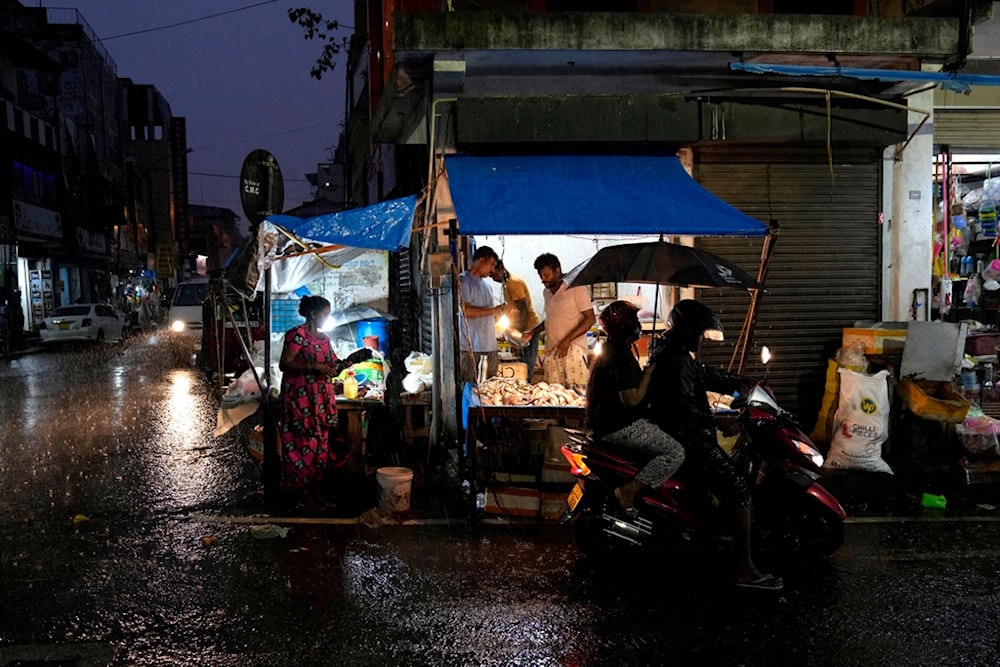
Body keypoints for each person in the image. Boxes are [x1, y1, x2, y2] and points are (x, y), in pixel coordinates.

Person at [647, 299, 782, 591]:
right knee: (739, 489)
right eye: (700, 333)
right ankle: (745, 569)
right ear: (688, 332)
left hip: (682, 435)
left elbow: (703, 375)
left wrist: (739, 382)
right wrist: (722, 421)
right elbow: (686, 412)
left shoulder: (672, 351)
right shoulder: (676, 358)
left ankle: (710, 536)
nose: (702, 339)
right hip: (689, 441)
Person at [586, 300, 686, 518]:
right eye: (635, 320)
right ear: (626, 325)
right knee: (674, 452)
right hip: (620, 426)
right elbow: (631, 399)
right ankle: (629, 491)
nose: (638, 324)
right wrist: (649, 373)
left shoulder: (613, 349)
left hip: (604, 423)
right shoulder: (620, 356)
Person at [279, 295, 371, 510]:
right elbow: (286, 364)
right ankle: (303, 497)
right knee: (303, 449)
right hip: (301, 402)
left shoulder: (324, 339)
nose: (327, 318)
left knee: (320, 451)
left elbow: (333, 368)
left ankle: (316, 494)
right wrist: (314, 368)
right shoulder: (297, 335)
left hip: (321, 400)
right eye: (325, 314)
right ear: (313, 314)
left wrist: (352, 360)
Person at [525, 253, 596, 392]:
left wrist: (567, 340)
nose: (543, 280)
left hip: (573, 351)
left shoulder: (576, 288)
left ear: (557, 271)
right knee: (554, 396)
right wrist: (533, 332)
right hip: (553, 352)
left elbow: (590, 319)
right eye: (541, 276)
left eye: (546, 275)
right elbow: (551, 319)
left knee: (577, 395)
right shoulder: (547, 293)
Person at [458, 245, 506, 385]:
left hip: (490, 347)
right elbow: (465, 311)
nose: (492, 270)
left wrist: (501, 313)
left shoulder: (488, 287)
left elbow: (489, 315)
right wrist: (493, 310)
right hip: (471, 349)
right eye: (491, 265)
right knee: (471, 389)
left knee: (489, 390)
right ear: (481, 260)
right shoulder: (463, 281)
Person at [490, 259, 542, 380]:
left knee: (526, 366)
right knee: (521, 362)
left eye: (494, 275)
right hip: (522, 328)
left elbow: (523, 311)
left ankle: (526, 388)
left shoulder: (513, 283)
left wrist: (519, 338)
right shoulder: (506, 283)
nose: (493, 278)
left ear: (501, 268)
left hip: (529, 328)